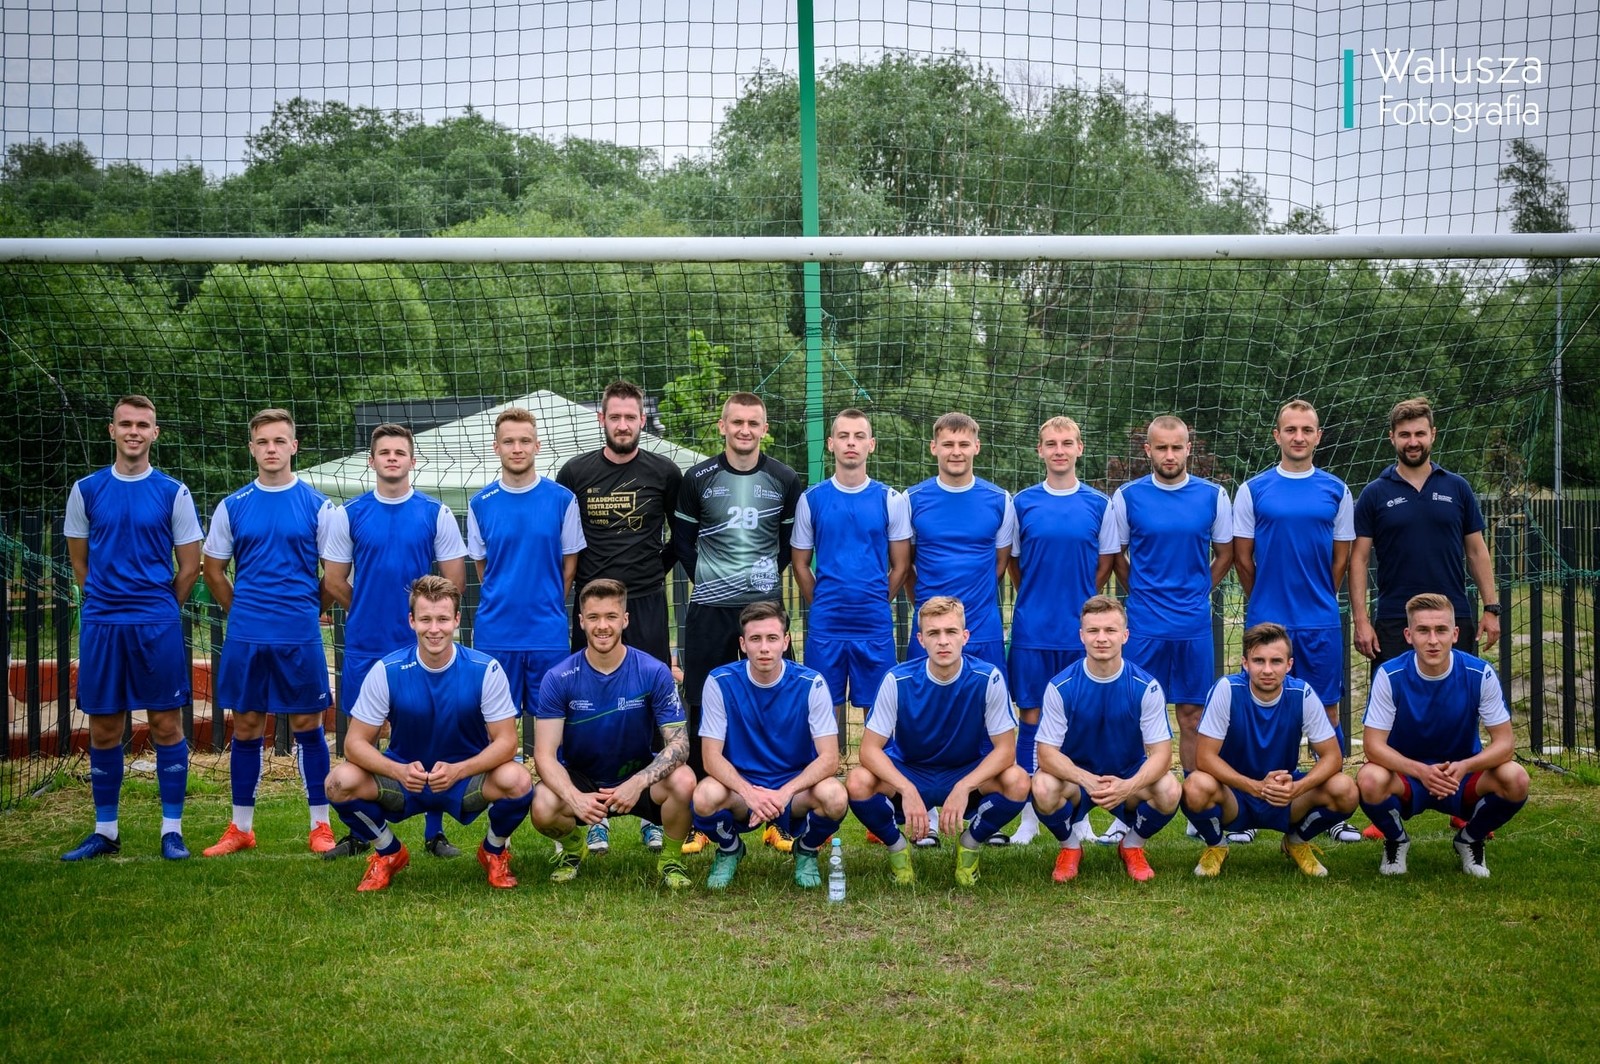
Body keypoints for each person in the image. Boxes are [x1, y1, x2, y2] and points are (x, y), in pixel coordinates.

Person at [61, 395, 203, 861]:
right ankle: (105, 831)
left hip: (155, 622)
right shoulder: (86, 489)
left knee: (165, 723)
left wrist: (158, 608)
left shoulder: (173, 492)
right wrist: (107, 601)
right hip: (103, 623)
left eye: (143, 424)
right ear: (112, 430)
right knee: (104, 726)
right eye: (126, 424)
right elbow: (79, 562)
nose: (134, 432)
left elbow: (189, 567)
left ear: (154, 433)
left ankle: (171, 831)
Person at [324, 576, 534, 891]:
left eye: (442, 619)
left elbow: (506, 742)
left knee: (518, 780)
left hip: (464, 779)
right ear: (412, 621)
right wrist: (397, 770)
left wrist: (459, 770)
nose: (434, 629)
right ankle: (388, 852)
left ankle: (493, 851)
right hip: (405, 778)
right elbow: (354, 744)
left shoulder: (485, 669)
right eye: (425, 619)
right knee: (339, 782)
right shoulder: (386, 671)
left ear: (457, 620)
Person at [322, 423, 468, 859]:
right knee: (362, 738)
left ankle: (434, 831)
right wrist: (368, 607)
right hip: (366, 644)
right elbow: (334, 580)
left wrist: (425, 622)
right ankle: (363, 831)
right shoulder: (348, 514)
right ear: (371, 461)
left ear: (412, 461)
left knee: (429, 731)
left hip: (423, 645)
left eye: (399, 452)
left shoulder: (435, 513)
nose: (391, 458)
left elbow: (454, 581)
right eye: (383, 452)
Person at [201, 408, 340, 857]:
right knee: (246, 725)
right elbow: (213, 569)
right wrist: (241, 611)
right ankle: (241, 827)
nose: (272, 449)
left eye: (280, 441)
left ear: (294, 446)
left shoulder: (319, 506)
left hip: (298, 634)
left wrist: (308, 610)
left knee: (307, 725)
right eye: (263, 442)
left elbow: (334, 574)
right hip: (248, 635)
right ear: (252, 449)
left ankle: (320, 825)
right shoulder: (233, 505)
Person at [556, 379, 683, 856]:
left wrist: (648, 574)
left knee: (650, 700)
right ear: (601, 419)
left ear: (642, 421)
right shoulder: (574, 473)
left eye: (632, 417)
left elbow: (679, 539)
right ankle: (592, 814)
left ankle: (650, 811)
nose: (624, 424)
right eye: (616, 417)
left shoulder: (665, 472)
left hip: (645, 602)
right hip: (592, 606)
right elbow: (565, 540)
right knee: (586, 702)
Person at [672, 392, 802, 852]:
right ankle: (701, 817)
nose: (745, 430)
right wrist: (715, 582)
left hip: (763, 611)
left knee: (777, 705)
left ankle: (779, 816)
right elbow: (683, 542)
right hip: (709, 608)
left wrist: (756, 582)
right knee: (701, 705)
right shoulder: (698, 478)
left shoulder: (784, 478)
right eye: (737, 422)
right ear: (722, 426)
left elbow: (787, 545)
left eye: (754, 423)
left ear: (765, 429)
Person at [1231, 399, 1362, 845]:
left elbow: (1340, 560)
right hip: (1267, 620)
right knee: (1256, 709)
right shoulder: (1253, 490)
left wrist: (1316, 596)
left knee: (1326, 711)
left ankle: (1329, 809)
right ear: (1278, 436)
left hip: (1319, 622)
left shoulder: (1337, 490)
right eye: (1291, 429)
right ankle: (1249, 810)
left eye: (1307, 429)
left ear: (1318, 436)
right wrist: (1266, 600)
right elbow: (1243, 559)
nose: (1299, 437)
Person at [846, 597, 1029, 887]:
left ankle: (969, 844)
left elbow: (1006, 751)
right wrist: (906, 788)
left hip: (964, 769)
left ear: (964, 636)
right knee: (858, 781)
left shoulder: (987, 678)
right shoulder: (897, 679)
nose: (943, 641)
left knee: (1017, 781)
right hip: (910, 769)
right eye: (933, 633)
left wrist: (964, 786)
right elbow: (869, 750)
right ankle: (897, 848)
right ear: (921, 640)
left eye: (951, 632)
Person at [529, 579, 696, 889]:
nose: (602, 626)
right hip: (582, 778)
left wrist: (637, 782)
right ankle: (573, 849)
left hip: (636, 776)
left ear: (625, 620)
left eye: (611, 616)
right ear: (581, 621)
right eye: (593, 617)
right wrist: (574, 797)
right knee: (542, 804)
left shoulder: (653, 670)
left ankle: (671, 860)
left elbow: (680, 744)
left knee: (684, 781)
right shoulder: (559, 677)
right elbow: (544, 755)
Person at [902, 412, 1016, 847]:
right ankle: (928, 817)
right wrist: (929, 614)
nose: (955, 451)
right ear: (934, 448)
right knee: (924, 719)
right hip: (932, 633)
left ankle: (983, 815)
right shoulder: (912, 499)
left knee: (988, 723)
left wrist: (969, 610)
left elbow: (1000, 563)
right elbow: (905, 564)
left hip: (981, 628)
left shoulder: (998, 499)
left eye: (963, 444)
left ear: (976, 447)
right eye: (947, 444)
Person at [1357, 594, 1528, 878]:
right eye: (1423, 631)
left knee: (1516, 778)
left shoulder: (1480, 673)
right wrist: (1420, 771)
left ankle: (1470, 839)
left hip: (1460, 776)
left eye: (1441, 630)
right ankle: (1396, 840)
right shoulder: (1390, 674)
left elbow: (1505, 744)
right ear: (1409, 636)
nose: (1433, 640)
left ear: (1455, 634)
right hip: (1409, 777)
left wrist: (1465, 766)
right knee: (1369, 779)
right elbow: (1373, 746)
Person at [1099, 415, 1232, 780]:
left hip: (1193, 626)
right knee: (1138, 713)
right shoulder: (1127, 497)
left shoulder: (1214, 496)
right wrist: (1141, 591)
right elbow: (1116, 555)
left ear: (1188, 449)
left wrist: (1200, 590)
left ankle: (1194, 795)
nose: (1169, 455)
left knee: (1192, 716)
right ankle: (1136, 795)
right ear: (1148, 450)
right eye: (1161, 448)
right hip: (1145, 626)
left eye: (1176, 448)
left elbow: (1226, 554)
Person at [1180, 623, 1360, 878]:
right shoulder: (1227, 689)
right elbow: (1204, 758)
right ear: (1245, 663)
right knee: (1195, 786)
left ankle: (1296, 841)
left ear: (1289, 665)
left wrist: (1298, 787)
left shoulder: (1302, 693)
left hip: (1284, 794)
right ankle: (1217, 845)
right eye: (1258, 661)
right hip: (1235, 795)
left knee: (1345, 789)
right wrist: (1255, 787)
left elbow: (1333, 757)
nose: (1267, 670)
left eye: (1276, 661)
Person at [690, 601, 848, 890]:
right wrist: (750, 793)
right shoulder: (719, 681)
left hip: (794, 787)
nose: (764, 648)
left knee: (835, 796)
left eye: (772, 638)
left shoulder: (811, 683)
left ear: (785, 642)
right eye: (755, 639)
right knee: (704, 797)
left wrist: (785, 793)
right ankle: (729, 849)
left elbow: (829, 759)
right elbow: (711, 758)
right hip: (741, 786)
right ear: (743, 644)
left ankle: (806, 849)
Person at [1005, 415, 1110, 847]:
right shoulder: (1022, 503)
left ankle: (1081, 817)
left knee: (1080, 722)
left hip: (1078, 634)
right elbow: (1013, 564)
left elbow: (1104, 565)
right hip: (1033, 632)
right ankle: (1030, 817)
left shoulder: (1100, 504)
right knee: (1030, 719)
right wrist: (1037, 598)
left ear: (1080, 448)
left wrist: (1080, 605)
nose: (1059, 450)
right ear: (1040, 450)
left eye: (1067, 443)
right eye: (1051, 443)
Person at [1030, 595, 1181, 883]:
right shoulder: (1060, 686)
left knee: (1169, 789)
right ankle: (1070, 847)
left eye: (1110, 630)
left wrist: (1128, 786)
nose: (1101, 638)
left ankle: (1132, 845)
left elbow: (1162, 755)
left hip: (1127, 776)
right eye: (1093, 631)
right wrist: (1086, 779)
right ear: (1081, 636)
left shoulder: (1146, 686)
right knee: (1043, 786)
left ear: (1125, 635)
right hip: (1077, 781)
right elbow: (1046, 753)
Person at [791, 408, 912, 754]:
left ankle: (881, 779)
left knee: (880, 713)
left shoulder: (891, 499)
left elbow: (901, 566)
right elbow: (800, 564)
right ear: (830, 443)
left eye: (859, 436)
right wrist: (823, 603)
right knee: (821, 710)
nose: (851, 443)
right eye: (843, 436)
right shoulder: (811, 499)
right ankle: (823, 775)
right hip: (826, 625)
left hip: (874, 625)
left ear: (871, 444)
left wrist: (875, 600)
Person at [1351, 396, 1501, 667]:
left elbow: (1477, 551)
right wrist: (1361, 620)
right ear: (1392, 438)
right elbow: (1359, 560)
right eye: (1404, 435)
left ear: (1433, 434)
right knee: (1396, 694)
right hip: (1395, 618)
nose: (1413, 442)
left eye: (1419, 434)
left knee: (1457, 692)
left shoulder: (1458, 488)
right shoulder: (1374, 493)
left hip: (1451, 615)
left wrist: (1491, 608)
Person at [467, 406, 584, 731]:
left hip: (547, 634)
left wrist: (546, 603)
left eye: (524, 441)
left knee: (553, 728)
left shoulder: (563, 499)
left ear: (537, 446)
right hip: (496, 635)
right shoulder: (480, 503)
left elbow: (569, 567)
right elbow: (483, 569)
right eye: (508, 442)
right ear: (496, 447)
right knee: (494, 731)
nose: (517, 448)